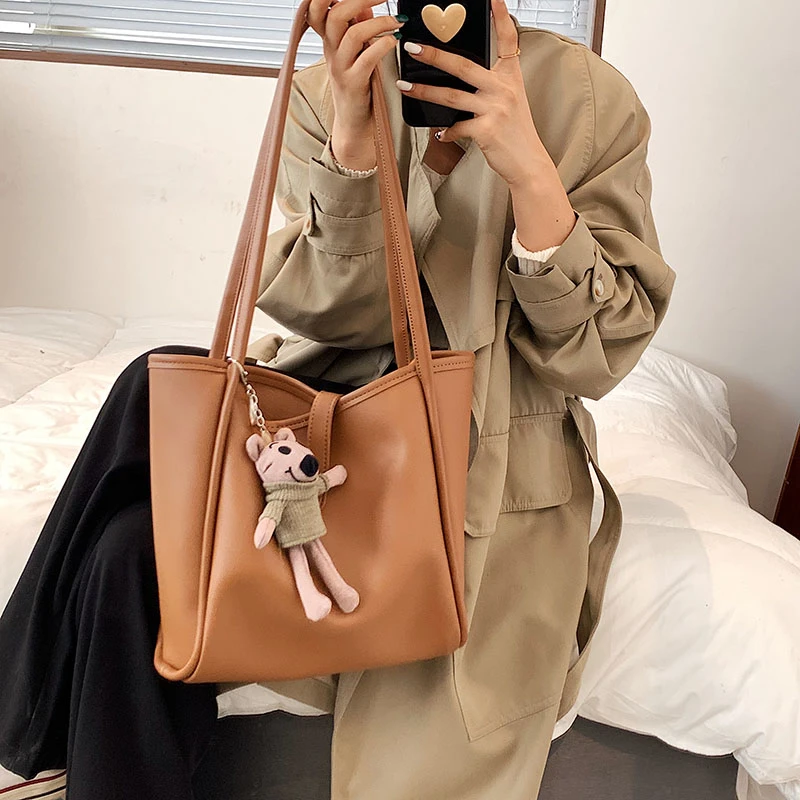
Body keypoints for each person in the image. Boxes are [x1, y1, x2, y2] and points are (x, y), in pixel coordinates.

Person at [0, 0, 676, 796]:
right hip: (335, 416)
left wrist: (529, 169)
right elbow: (332, 315)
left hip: (486, 450)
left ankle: (20, 730)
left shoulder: (590, 99)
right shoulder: (327, 88)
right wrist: (354, 145)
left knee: (127, 551)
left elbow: (597, 353)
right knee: (147, 421)